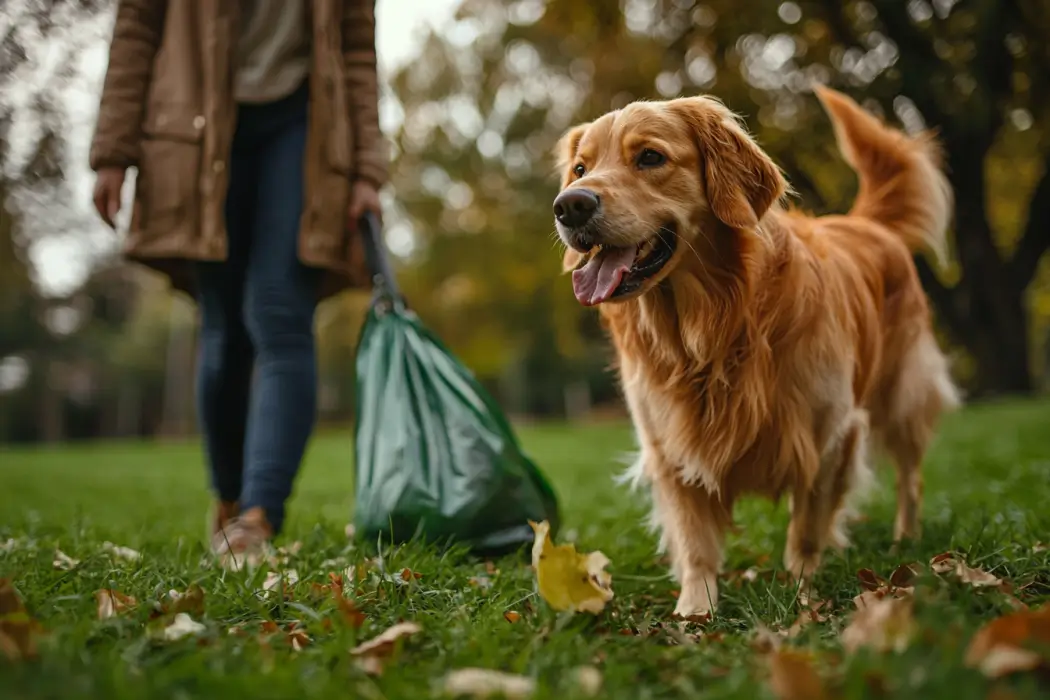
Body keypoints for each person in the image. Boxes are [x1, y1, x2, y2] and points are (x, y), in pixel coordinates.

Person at [89, 1, 387, 568]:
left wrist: (368, 169)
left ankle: (258, 517)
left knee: (279, 310)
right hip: (193, 127)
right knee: (224, 326)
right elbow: (137, 26)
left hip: (306, 127)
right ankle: (228, 501)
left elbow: (355, 51)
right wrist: (113, 150)